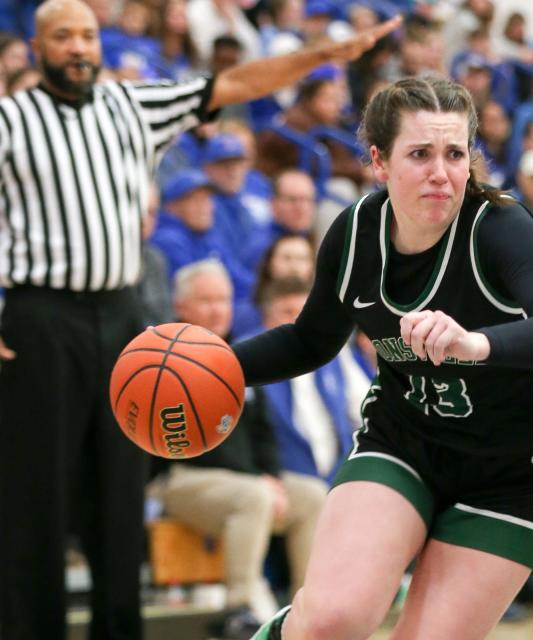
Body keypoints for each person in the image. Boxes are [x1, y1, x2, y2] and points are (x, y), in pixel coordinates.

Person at [0, 2, 399, 638]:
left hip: (122, 314)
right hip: (37, 316)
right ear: (38, 45)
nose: (77, 46)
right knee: (35, 496)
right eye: (61, 36)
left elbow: (235, 84)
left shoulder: (130, 105)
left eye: (86, 34)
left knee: (120, 495)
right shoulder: (11, 119)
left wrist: (323, 55)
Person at [236, 75, 533, 639]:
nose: (441, 171)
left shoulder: (498, 226)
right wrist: (222, 365)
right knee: (331, 620)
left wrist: (476, 344)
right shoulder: (355, 232)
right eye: (420, 153)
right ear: (379, 162)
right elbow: (310, 340)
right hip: (403, 443)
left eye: (456, 153)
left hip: (508, 473)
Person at [150, 260, 326, 638]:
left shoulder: (236, 355)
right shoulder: (163, 361)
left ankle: (309, 610)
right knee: (254, 497)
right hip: (179, 479)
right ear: (181, 307)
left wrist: (274, 477)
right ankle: (240, 610)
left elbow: (263, 435)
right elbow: (185, 445)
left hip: (244, 481)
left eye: (224, 300)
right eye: (206, 300)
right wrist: (260, 481)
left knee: (311, 495)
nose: (217, 309)